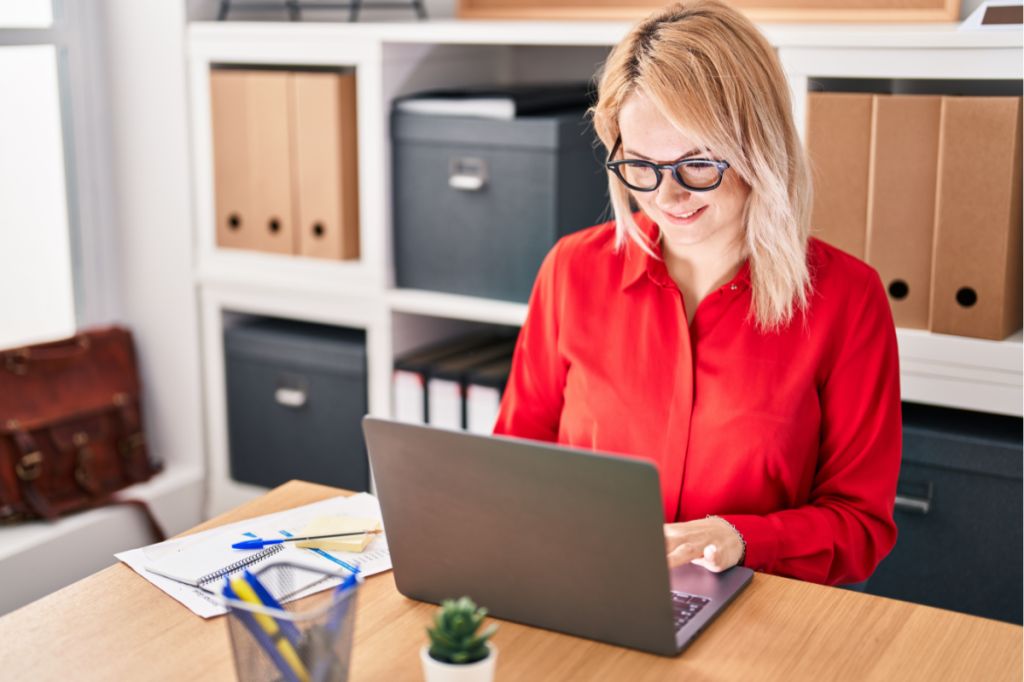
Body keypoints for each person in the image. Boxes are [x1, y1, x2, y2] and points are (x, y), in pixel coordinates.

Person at [493, 0, 901, 586]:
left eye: (698, 165)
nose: (668, 196)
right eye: (641, 165)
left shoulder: (847, 300)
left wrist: (741, 538)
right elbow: (514, 465)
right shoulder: (572, 270)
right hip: (588, 590)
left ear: (759, 149)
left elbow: (861, 525)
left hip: (760, 616)